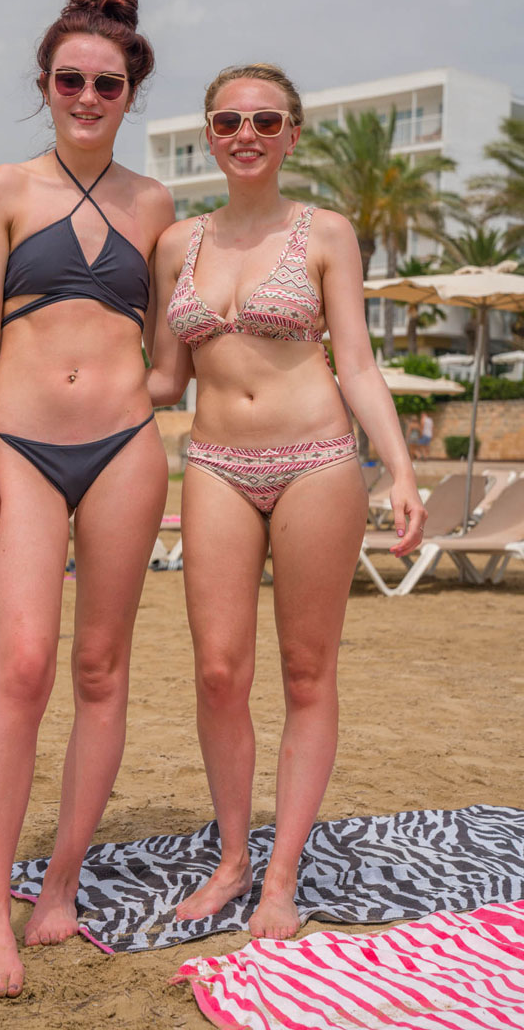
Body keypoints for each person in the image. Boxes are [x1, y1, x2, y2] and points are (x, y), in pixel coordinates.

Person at [147, 64, 426, 941]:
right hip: (218, 463)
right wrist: (45, 373)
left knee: (308, 673)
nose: (247, 133)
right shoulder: (175, 246)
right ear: (209, 132)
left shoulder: (326, 233)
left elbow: (359, 365)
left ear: (292, 134)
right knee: (219, 672)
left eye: (266, 120)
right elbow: (162, 375)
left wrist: (403, 469)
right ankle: (232, 859)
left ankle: (281, 875)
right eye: (229, 119)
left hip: (316, 461)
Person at [0, 0, 174, 997]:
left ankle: (61, 890)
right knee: (23, 662)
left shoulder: (156, 205)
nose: (87, 96)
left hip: (127, 446)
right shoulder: (3, 188)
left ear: (130, 93)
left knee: (99, 668)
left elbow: (170, 348)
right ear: (43, 85)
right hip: (23, 449)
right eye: (69, 79)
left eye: (107, 83)